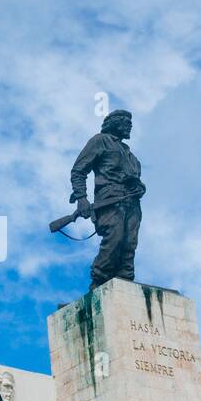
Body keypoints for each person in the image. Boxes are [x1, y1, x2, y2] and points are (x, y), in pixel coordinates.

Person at [69, 109, 146, 289]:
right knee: (114, 239)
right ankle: (98, 283)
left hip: (132, 203)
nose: (129, 128)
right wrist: (81, 198)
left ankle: (126, 284)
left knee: (129, 244)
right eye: (126, 124)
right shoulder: (100, 141)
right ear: (115, 123)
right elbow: (79, 171)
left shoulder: (130, 154)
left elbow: (134, 179)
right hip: (110, 201)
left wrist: (139, 186)